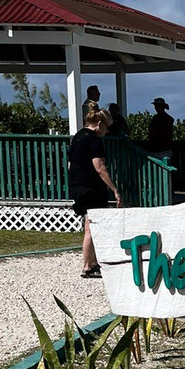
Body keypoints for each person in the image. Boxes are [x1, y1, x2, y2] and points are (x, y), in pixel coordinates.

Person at [68, 109, 122, 278]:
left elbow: (70, 164)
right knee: (92, 228)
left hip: (77, 186)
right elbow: (99, 167)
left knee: (88, 225)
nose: (107, 132)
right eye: (107, 128)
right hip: (91, 188)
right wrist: (114, 189)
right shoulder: (94, 140)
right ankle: (87, 266)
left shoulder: (77, 137)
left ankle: (91, 262)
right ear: (99, 124)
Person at [148, 97, 174, 163]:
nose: (156, 108)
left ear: (163, 107)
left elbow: (168, 133)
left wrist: (156, 132)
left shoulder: (168, 119)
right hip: (155, 149)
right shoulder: (155, 118)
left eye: (158, 106)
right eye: (155, 106)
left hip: (164, 149)